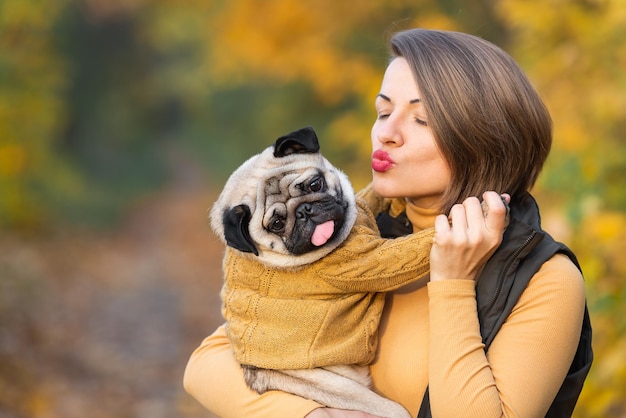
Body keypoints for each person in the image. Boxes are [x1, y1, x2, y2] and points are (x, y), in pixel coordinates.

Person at [184, 28, 591, 417]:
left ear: (483, 138)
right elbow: (208, 363)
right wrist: (313, 413)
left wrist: (452, 284)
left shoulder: (544, 277)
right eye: (383, 110)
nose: (386, 134)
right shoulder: (356, 232)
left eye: (421, 120)